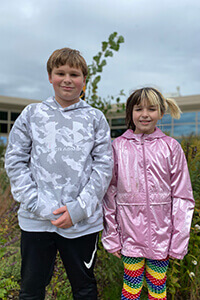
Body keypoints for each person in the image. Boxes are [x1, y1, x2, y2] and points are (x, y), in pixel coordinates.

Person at [5, 47, 113, 300]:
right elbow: (15, 159)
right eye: (60, 72)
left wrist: (78, 209)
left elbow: (104, 166)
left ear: (84, 80)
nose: (67, 79)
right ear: (50, 76)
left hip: (82, 223)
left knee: (84, 289)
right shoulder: (32, 114)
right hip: (36, 221)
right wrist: (37, 204)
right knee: (31, 289)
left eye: (74, 74)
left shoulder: (95, 118)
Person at [102, 87, 195, 300]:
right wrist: (112, 237)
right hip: (130, 237)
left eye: (151, 109)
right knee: (131, 290)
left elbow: (182, 197)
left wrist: (178, 240)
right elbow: (108, 195)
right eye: (139, 109)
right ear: (130, 113)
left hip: (162, 237)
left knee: (157, 290)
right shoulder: (117, 148)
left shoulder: (171, 148)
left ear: (161, 113)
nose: (145, 114)